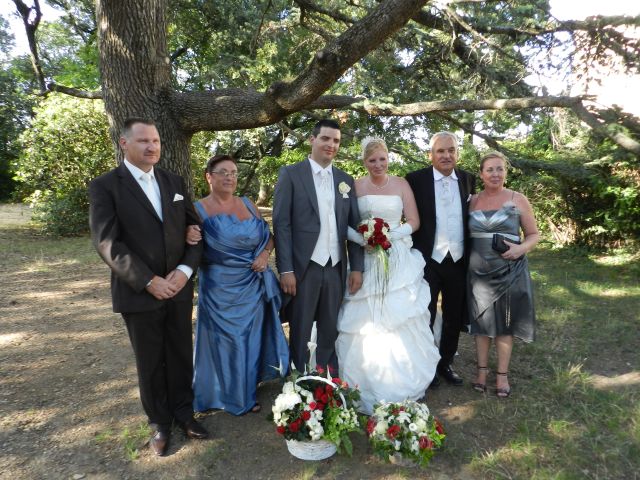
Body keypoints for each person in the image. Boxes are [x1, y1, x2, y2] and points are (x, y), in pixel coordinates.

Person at [89, 118, 208, 457]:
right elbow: (107, 242)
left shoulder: (174, 181)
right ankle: (159, 422)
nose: (152, 146)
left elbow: (195, 231)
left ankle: (185, 413)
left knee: (181, 353)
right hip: (139, 291)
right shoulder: (106, 186)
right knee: (150, 359)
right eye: (143, 141)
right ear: (124, 143)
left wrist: (185, 271)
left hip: (179, 287)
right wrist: (148, 281)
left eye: (155, 140)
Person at [336, 137, 440, 414]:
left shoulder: (401, 184)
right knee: (365, 319)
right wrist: (363, 239)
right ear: (364, 162)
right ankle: (364, 381)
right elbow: (345, 224)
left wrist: (388, 237)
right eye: (372, 160)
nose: (378, 164)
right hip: (366, 257)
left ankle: (403, 382)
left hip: (397, 257)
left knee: (400, 317)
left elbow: (414, 221)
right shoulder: (356, 186)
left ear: (388, 158)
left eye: (382, 159)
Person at [187, 155, 289, 415]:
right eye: (222, 172)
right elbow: (188, 247)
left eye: (233, 172)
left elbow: (269, 237)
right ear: (208, 176)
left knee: (250, 338)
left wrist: (265, 255)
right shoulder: (197, 209)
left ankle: (249, 386)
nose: (229, 177)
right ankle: (227, 393)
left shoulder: (248, 203)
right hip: (220, 288)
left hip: (253, 284)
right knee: (227, 341)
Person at [273, 119, 364, 373]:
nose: (331, 145)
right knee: (300, 329)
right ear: (312, 140)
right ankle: (297, 384)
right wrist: (286, 269)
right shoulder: (291, 174)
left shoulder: (345, 180)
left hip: (336, 267)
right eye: (325, 138)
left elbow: (355, 227)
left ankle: (327, 385)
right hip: (305, 267)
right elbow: (281, 225)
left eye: (336, 140)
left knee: (329, 329)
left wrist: (357, 267)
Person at [406, 132, 476, 387]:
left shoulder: (468, 180)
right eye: (440, 151)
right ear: (431, 155)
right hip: (428, 258)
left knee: (453, 314)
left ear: (457, 153)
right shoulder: (415, 180)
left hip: (458, 259)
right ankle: (425, 365)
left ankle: (445, 362)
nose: (446, 156)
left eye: (451, 150)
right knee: (425, 313)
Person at [467, 151, 539, 398]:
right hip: (478, 272)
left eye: (500, 169)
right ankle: (481, 372)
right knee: (481, 323)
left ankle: (502, 376)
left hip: (509, 270)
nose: (495, 174)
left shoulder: (518, 199)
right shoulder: (472, 201)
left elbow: (534, 234)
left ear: (505, 172)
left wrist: (521, 248)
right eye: (490, 169)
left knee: (505, 325)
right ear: (481, 174)